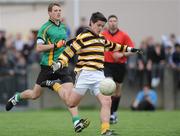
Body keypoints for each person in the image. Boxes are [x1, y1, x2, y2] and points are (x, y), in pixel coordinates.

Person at [46, 12, 142, 135]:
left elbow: (114, 46)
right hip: (84, 74)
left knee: (107, 101)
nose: (101, 28)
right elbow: (69, 51)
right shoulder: (83, 36)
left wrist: (131, 49)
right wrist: (59, 63)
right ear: (91, 23)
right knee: (71, 103)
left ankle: (105, 130)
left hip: (99, 75)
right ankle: (55, 85)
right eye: (98, 25)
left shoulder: (101, 38)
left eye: (103, 26)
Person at [5, 2, 89, 133]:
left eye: (59, 10)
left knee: (70, 96)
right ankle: (17, 97)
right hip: (48, 67)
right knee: (34, 95)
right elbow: (38, 48)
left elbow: (64, 45)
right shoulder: (44, 28)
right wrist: (56, 45)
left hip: (63, 66)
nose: (58, 12)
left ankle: (76, 122)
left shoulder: (63, 27)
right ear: (49, 13)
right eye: (55, 10)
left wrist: (73, 45)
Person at [101, 15, 135, 124]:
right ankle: (109, 114)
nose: (112, 23)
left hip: (120, 65)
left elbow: (132, 50)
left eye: (114, 21)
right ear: (108, 23)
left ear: (117, 22)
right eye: (110, 21)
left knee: (117, 91)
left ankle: (114, 112)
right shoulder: (103, 34)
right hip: (107, 65)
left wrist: (121, 54)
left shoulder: (124, 35)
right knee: (109, 86)